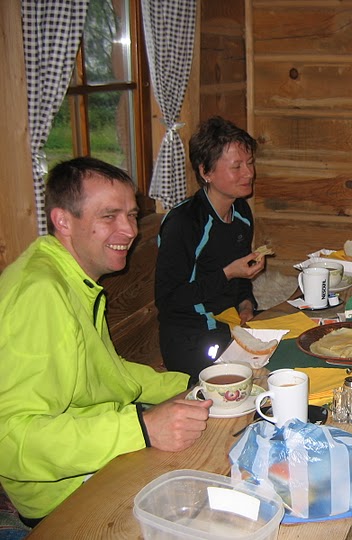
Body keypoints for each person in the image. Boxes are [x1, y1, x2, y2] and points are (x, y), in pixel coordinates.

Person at [0, 157, 211, 526]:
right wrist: (143, 428)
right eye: (109, 216)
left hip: (99, 454)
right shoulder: (39, 295)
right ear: (63, 221)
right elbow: (10, 439)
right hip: (65, 495)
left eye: (131, 215)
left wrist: (196, 383)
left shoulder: (71, 277)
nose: (129, 230)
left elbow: (106, 372)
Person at [155, 117, 267, 379]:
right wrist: (227, 273)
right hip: (191, 337)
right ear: (206, 171)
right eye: (236, 166)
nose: (249, 173)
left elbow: (241, 279)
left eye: (250, 163)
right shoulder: (183, 223)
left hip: (230, 324)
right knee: (259, 378)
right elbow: (169, 299)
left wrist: (246, 303)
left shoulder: (240, 210)